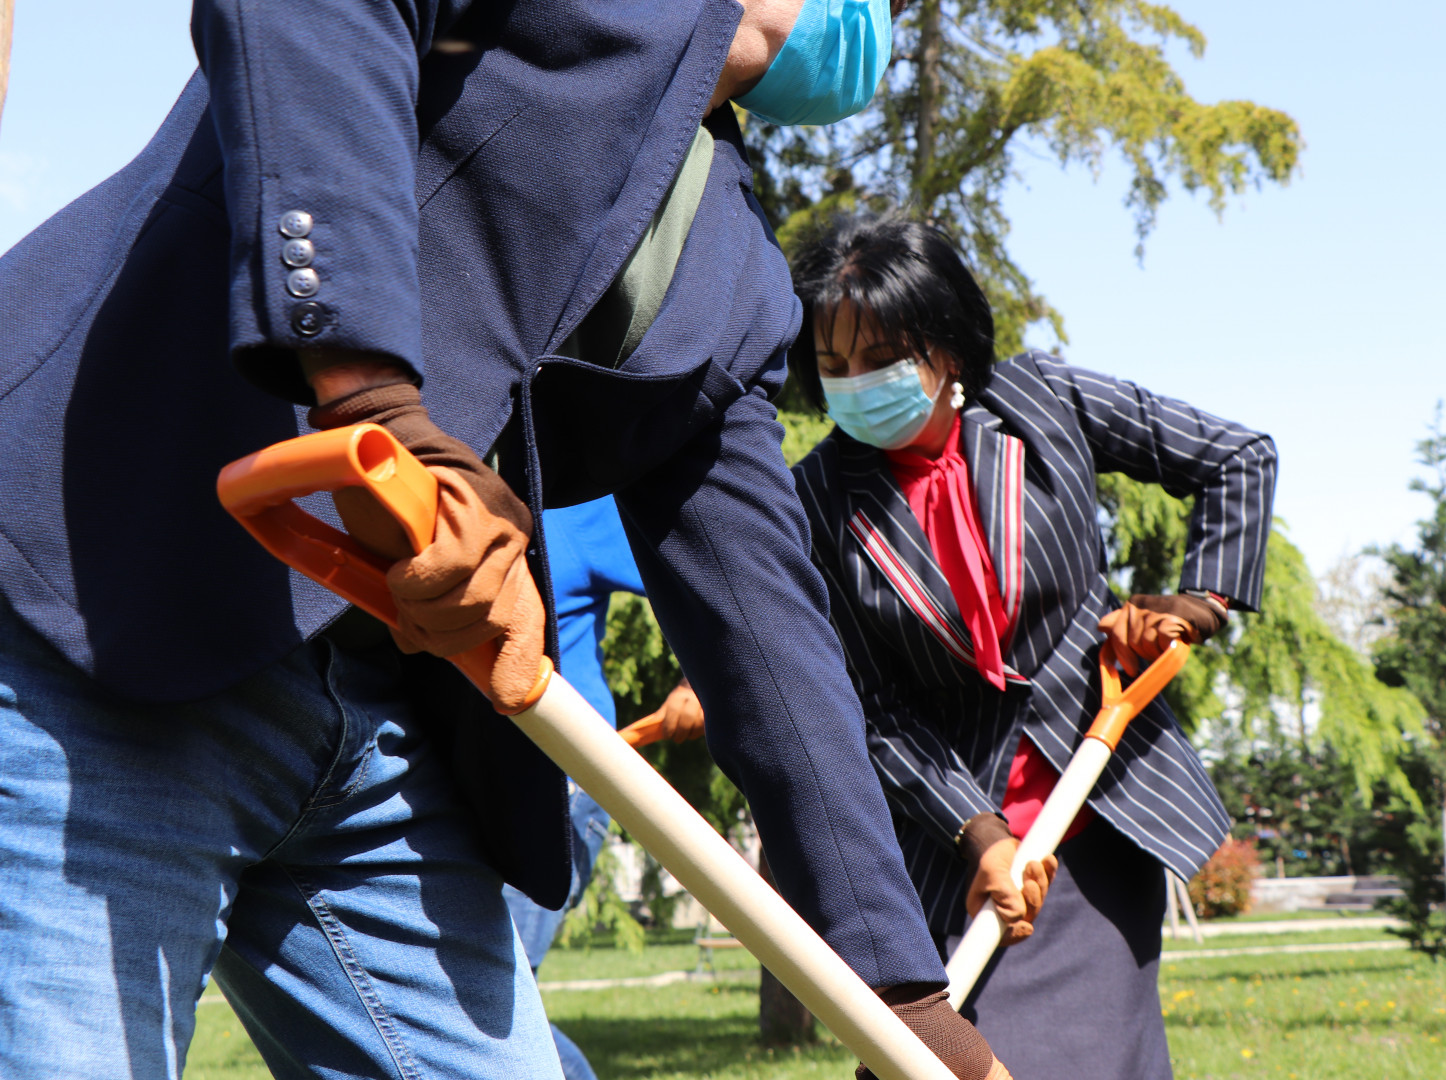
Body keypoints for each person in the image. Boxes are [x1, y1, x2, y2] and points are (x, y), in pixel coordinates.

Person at [0, 2, 1013, 1078]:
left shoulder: (737, 272)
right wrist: (374, 400)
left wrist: (901, 995)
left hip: (383, 731)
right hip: (105, 605)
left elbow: (768, 633)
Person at [788, 216, 1278, 1080]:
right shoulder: (819, 499)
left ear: (947, 350)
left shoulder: (1044, 402)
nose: (856, 385)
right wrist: (979, 836)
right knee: (925, 1061)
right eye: (833, 368)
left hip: (1097, 815)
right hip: (952, 851)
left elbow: (1236, 457)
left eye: (881, 360)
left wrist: (1198, 600)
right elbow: (871, 707)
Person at [503, 495, 704, 1080]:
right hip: (467, 788)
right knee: (482, 991)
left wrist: (697, 682)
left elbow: (697, 575)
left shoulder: (564, 504)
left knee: (504, 993)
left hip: (565, 780)